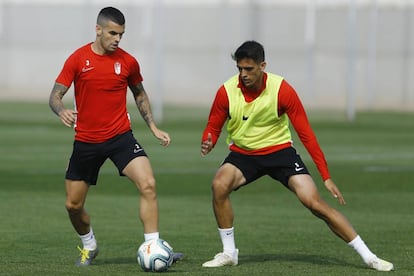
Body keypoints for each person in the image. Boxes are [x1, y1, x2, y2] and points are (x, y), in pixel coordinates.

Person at [200, 40, 394, 271]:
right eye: (239, 69)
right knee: (219, 185)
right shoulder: (226, 91)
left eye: (249, 69)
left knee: (313, 203)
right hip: (244, 154)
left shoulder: (282, 90)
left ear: (263, 65)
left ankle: (369, 256)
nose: (243, 74)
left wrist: (326, 176)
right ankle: (229, 253)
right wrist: (208, 140)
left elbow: (307, 135)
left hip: (280, 152)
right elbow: (213, 125)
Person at [49, 7, 182, 266]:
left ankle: (153, 246)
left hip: (121, 137)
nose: (117, 38)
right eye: (112, 33)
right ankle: (89, 245)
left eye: (121, 34)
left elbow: (140, 94)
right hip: (86, 142)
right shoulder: (78, 59)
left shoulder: (128, 62)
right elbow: (55, 95)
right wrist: (62, 110)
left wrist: (153, 127)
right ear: (98, 30)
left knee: (148, 184)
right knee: (73, 206)